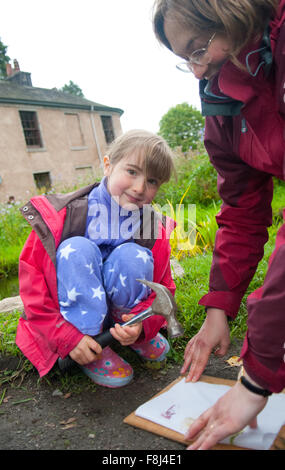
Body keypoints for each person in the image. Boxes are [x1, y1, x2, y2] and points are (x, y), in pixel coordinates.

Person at [152, 0, 285, 449]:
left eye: (197, 48)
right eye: (183, 59)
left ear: (231, 12)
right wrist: (219, 308)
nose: (194, 71)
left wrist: (254, 381)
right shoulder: (220, 99)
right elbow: (242, 210)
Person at [16, 129, 176, 388]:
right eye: (132, 172)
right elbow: (32, 288)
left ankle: (130, 335)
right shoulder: (61, 216)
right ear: (108, 165)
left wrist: (142, 323)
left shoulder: (152, 228)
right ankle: (90, 343)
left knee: (133, 256)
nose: (139, 188)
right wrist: (67, 337)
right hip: (74, 322)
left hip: (123, 318)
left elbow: (164, 288)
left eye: (153, 181)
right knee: (76, 249)